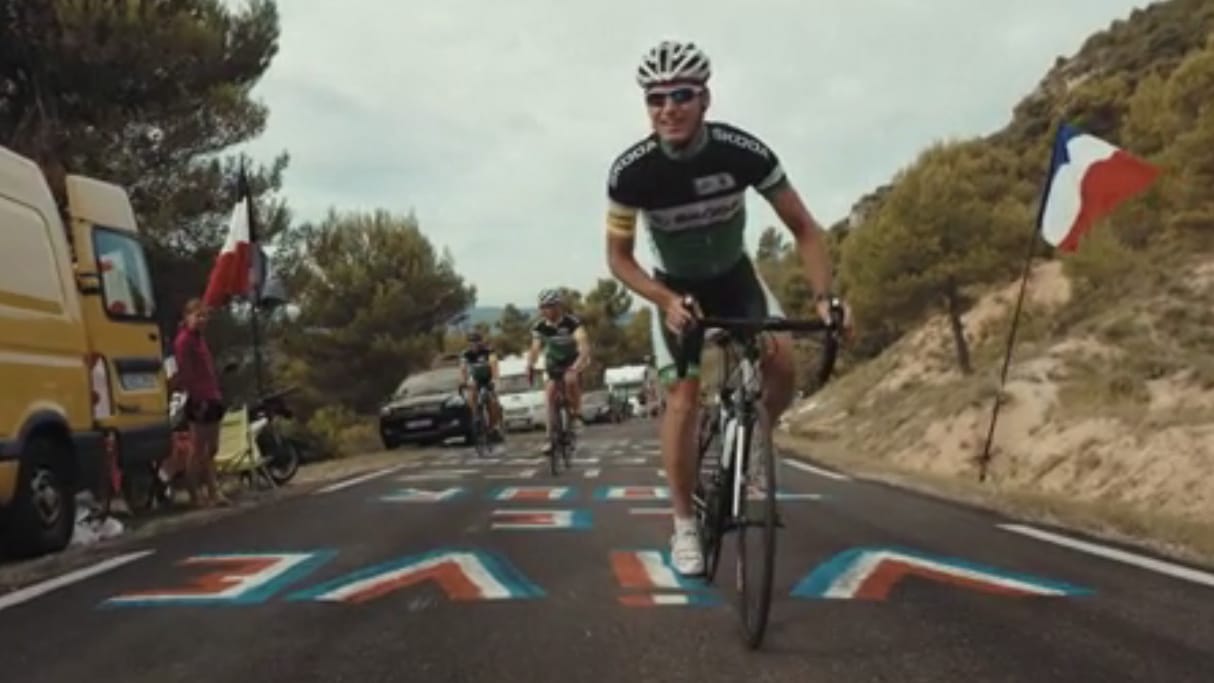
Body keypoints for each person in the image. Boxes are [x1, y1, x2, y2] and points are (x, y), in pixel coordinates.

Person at [603, 39, 852, 575]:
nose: (668, 107)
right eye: (655, 98)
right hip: (678, 290)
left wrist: (825, 298)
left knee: (782, 361)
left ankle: (759, 435)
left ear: (705, 99)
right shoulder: (632, 173)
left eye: (682, 94)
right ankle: (684, 526)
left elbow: (805, 229)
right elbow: (619, 260)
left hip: (736, 278)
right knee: (683, 398)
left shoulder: (743, 152)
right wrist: (665, 300)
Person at [172, 298, 231, 507]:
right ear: (187, 317)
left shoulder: (200, 340)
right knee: (197, 448)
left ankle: (213, 490)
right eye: (198, 316)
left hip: (212, 395)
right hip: (199, 398)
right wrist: (196, 396)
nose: (202, 320)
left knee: (212, 448)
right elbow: (186, 373)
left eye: (204, 316)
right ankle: (195, 494)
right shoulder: (183, 341)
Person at [526, 289, 591, 454]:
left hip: (573, 359)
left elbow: (583, 345)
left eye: (549, 306)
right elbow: (535, 348)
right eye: (542, 307)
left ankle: (575, 414)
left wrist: (577, 365)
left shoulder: (572, 322)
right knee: (549, 396)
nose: (545, 310)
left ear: (558, 306)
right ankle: (549, 438)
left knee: (571, 380)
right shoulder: (539, 326)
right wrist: (530, 365)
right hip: (554, 361)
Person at [460, 331, 503, 440]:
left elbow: (494, 365)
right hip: (476, 379)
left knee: (492, 403)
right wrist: (463, 381)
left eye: (476, 342)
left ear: (481, 342)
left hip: (488, 379)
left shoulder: (488, 351)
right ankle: (476, 415)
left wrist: (495, 379)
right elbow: (463, 369)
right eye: (471, 342)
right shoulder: (466, 354)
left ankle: (493, 427)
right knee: (471, 391)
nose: (473, 345)